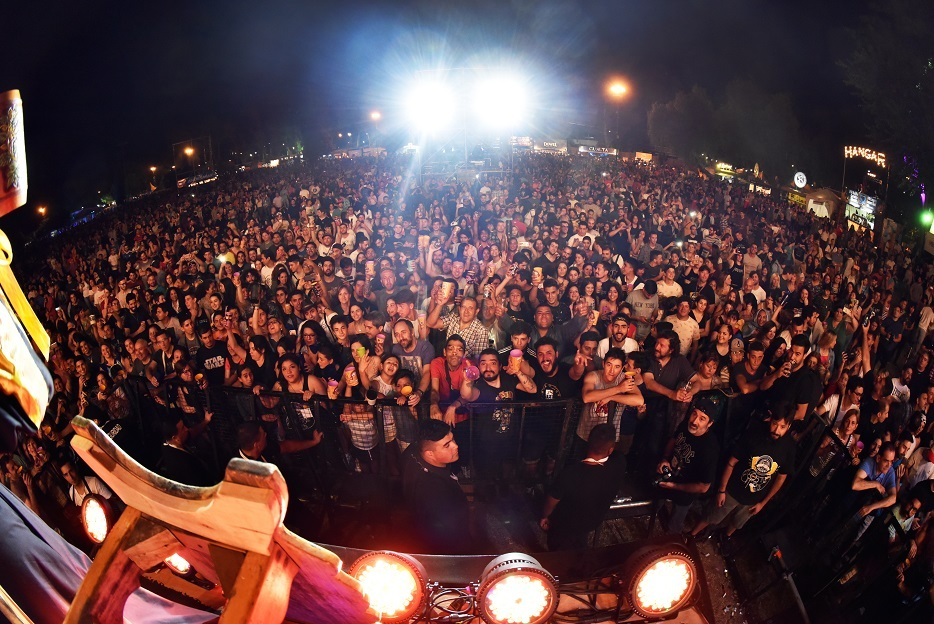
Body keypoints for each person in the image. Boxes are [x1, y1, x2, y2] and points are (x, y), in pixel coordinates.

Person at [691, 406, 796, 539]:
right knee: (712, 516)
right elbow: (732, 462)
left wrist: (763, 503)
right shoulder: (755, 433)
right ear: (770, 420)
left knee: (737, 523)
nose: (776, 430)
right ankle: (692, 534)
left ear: (789, 426)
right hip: (733, 490)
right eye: (775, 424)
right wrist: (722, 490)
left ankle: (724, 537)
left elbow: (781, 478)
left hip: (754, 499)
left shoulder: (789, 447)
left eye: (782, 427)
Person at [539, 424, 626, 550]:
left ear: (588, 441)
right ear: (610, 450)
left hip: (565, 525)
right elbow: (618, 455)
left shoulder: (570, 474)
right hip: (593, 521)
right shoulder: (619, 463)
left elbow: (551, 500)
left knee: (558, 551)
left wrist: (545, 516)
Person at [401, 420, 472, 554]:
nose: (455, 446)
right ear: (430, 454)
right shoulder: (435, 492)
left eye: (452, 439)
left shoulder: (413, 450)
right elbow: (451, 529)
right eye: (447, 445)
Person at [655, 397, 722, 533]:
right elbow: (673, 439)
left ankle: (671, 541)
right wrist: (665, 458)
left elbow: (703, 487)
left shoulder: (710, 449)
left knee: (674, 525)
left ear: (710, 423)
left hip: (686, 490)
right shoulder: (686, 424)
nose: (695, 421)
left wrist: (675, 486)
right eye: (694, 414)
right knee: (655, 502)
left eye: (702, 419)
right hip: (669, 474)